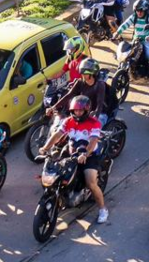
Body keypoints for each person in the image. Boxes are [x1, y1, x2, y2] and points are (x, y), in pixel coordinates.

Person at [41, 95, 108, 224]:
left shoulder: (94, 123)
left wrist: (86, 154)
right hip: (72, 153)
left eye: (80, 110)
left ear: (86, 110)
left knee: (91, 182)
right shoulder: (68, 121)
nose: (77, 113)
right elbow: (57, 135)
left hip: (89, 155)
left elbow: (93, 141)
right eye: (75, 110)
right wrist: (45, 148)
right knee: (56, 170)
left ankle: (102, 209)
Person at [52, 58, 109, 125]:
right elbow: (69, 95)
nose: (83, 75)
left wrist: (95, 118)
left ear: (93, 73)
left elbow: (100, 104)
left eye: (85, 73)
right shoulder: (80, 82)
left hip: (99, 113)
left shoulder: (100, 85)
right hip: (83, 112)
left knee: (93, 132)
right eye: (82, 73)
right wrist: (54, 107)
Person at [114, 0, 149, 71]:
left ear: (145, 10)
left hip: (147, 40)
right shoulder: (134, 16)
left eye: (141, 10)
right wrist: (117, 32)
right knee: (127, 53)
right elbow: (125, 24)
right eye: (137, 10)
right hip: (136, 40)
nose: (139, 12)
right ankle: (122, 66)